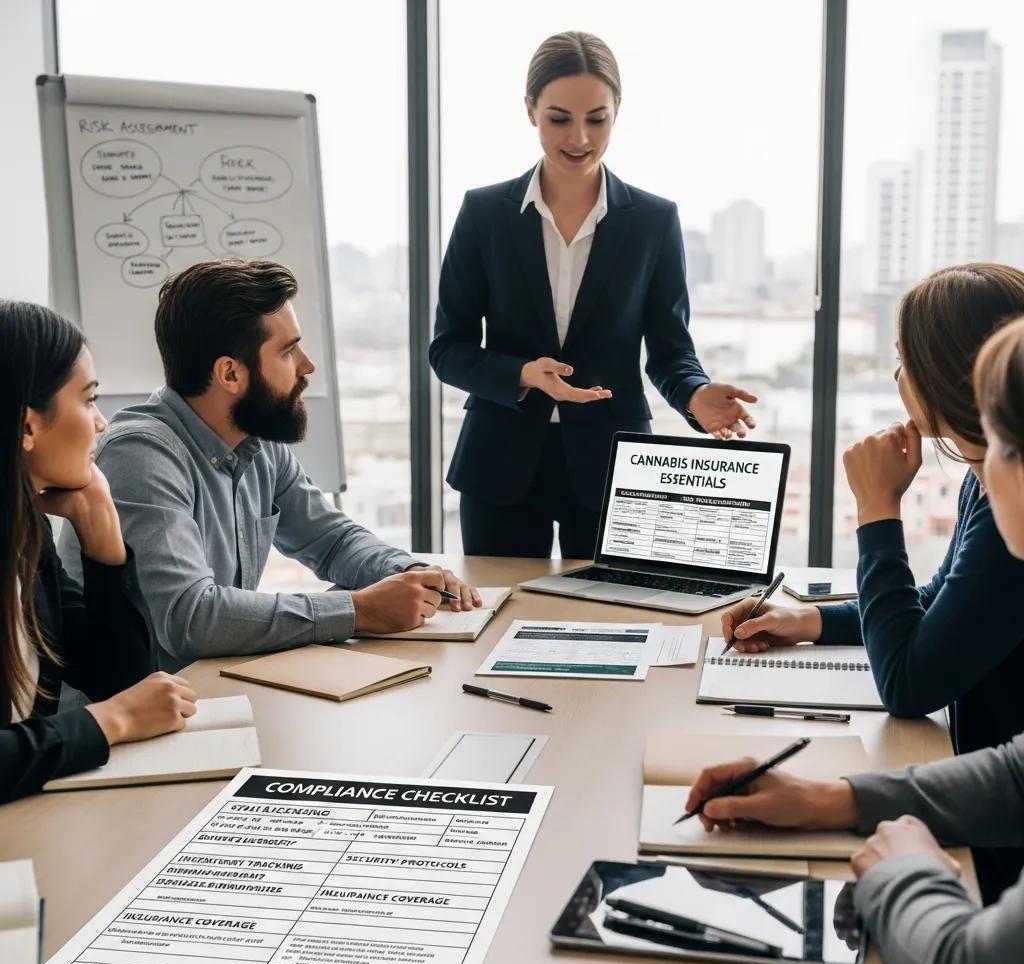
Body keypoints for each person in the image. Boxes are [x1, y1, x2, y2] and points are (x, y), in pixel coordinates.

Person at [684, 314, 1024, 964]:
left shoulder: (997, 513)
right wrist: (834, 798)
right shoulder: (981, 494)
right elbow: (1016, 770)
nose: (986, 468)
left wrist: (908, 872)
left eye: (1003, 446)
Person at [718, 263, 1024, 901]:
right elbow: (941, 603)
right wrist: (812, 620)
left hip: (997, 845)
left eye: (905, 361)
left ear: (955, 374)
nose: (897, 379)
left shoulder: (1010, 507)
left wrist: (877, 512)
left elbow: (909, 684)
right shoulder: (983, 473)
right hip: (984, 798)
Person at [58, 259, 479, 672]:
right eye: (289, 351)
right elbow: (190, 619)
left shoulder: (253, 439)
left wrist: (410, 572)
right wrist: (359, 610)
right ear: (230, 374)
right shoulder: (142, 455)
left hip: (209, 692)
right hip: (131, 721)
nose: (307, 365)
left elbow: (332, 540)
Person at [430, 31, 758, 558]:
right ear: (530, 109)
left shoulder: (654, 221)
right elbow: (448, 349)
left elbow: (670, 350)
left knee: (618, 630)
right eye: (559, 118)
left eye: (597, 119)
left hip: (616, 467)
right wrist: (521, 373)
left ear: (617, 112)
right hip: (501, 464)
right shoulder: (483, 213)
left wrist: (694, 395)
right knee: (498, 625)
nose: (579, 137)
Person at [0, 301, 197, 804]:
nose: (102, 423)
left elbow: (121, 678)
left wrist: (101, 531)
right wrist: (114, 720)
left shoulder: (28, 535)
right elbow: (124, 705)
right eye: (88, 400)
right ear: (26, 426)